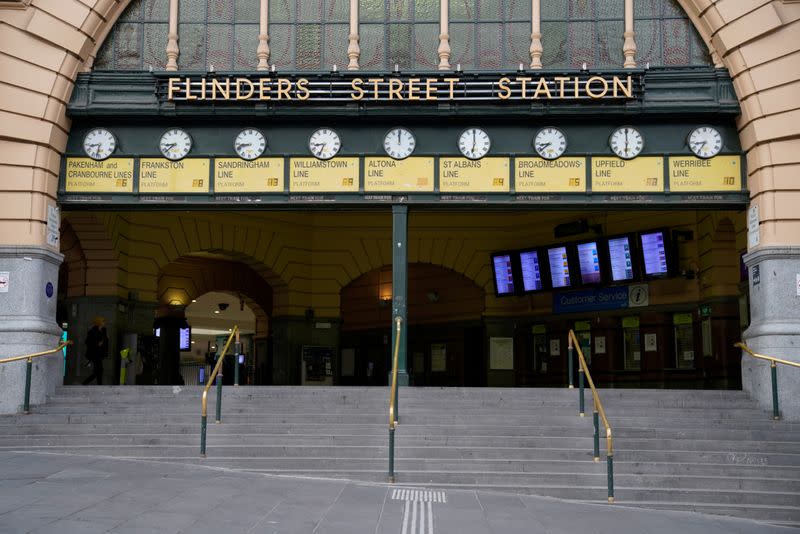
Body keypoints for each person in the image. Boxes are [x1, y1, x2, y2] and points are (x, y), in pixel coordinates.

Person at [82, 316, 108, 385]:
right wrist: (97, 344)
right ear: (99, 322)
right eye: (103, 321)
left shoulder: (103, 330)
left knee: (99, 371)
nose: (104, 323)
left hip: (100, 353)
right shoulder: (93, 331)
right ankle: (85, 383)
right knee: (98, 370)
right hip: (94, 354)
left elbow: (105, 341)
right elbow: (88, 342)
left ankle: (98, 384)